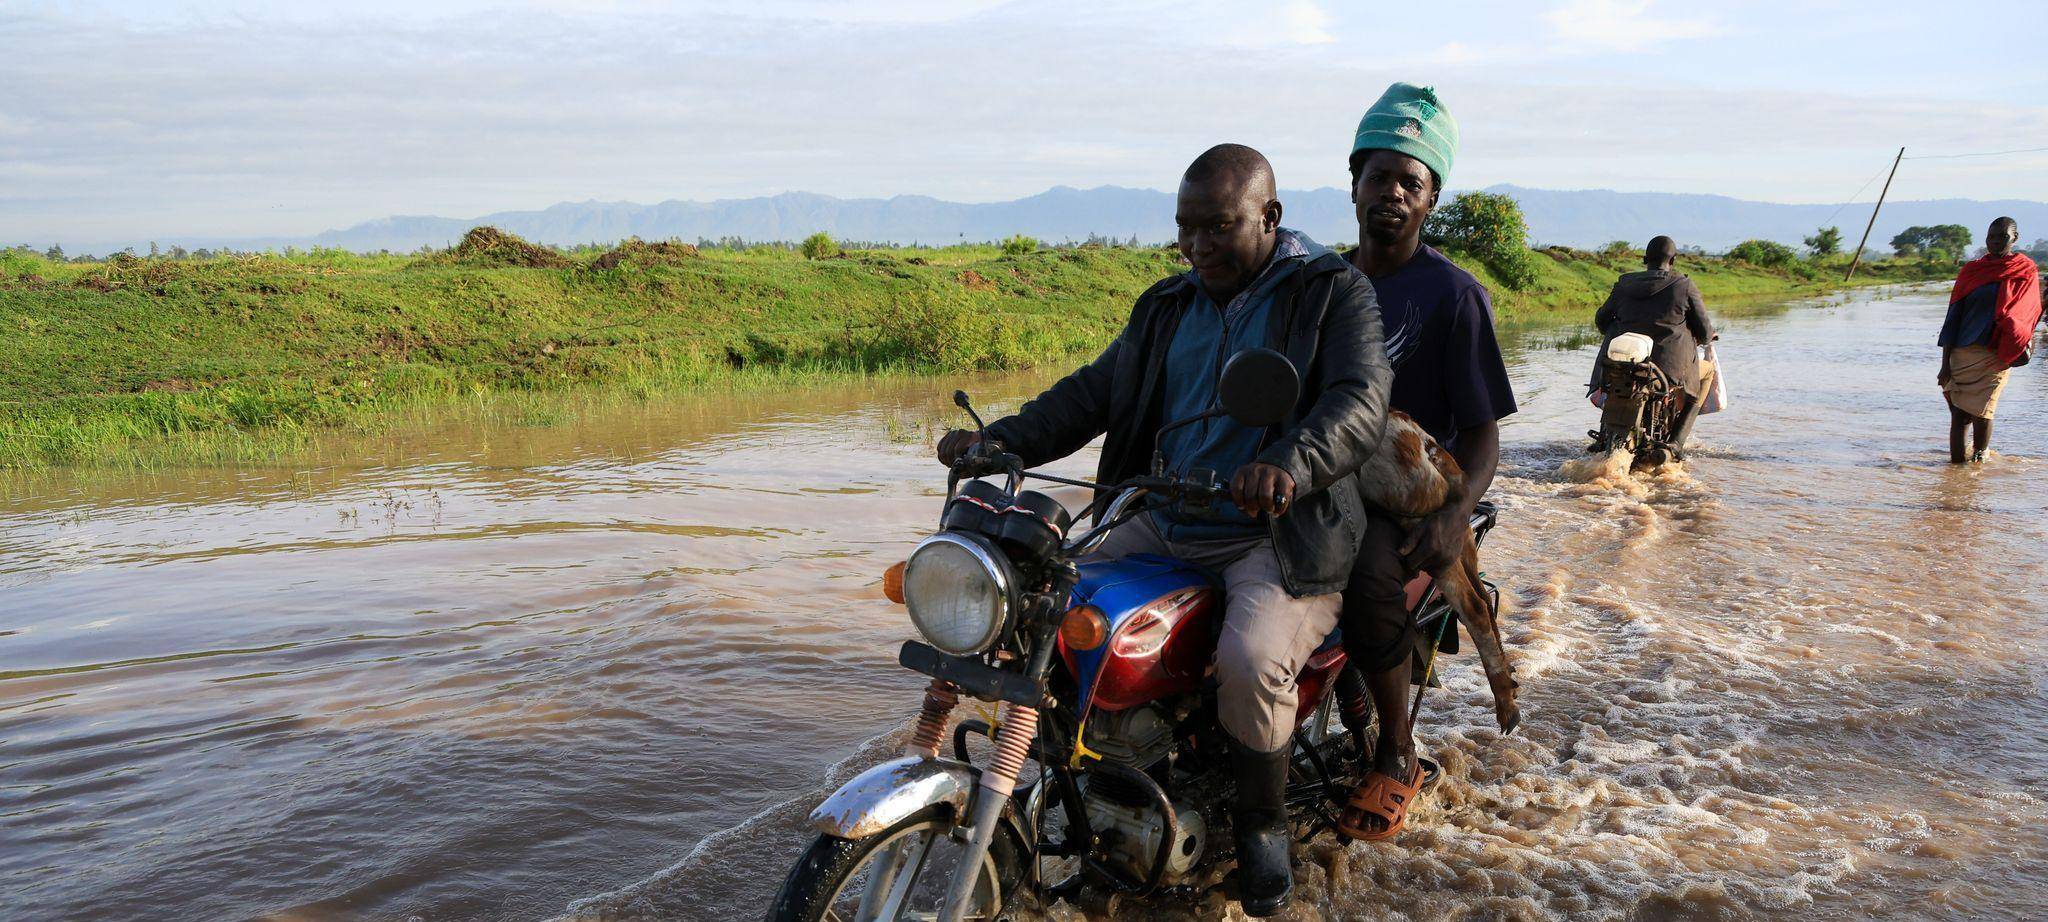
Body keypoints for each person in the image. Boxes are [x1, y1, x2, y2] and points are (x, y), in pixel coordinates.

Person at [935, 144, 1392, 916]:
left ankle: (1261, 826)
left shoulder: (1330, 292)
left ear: (1269, 217)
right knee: (1037, 611)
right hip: (1164, 516)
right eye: (1186, 228)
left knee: (1251, 662)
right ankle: (1089, 776)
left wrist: (1288, 462)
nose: (1196, 246)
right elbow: (1093, 393)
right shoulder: (1167, 305)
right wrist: (1001, 439)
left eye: (1218, 227)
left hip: (1276, 533)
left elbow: (1359, 400)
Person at [1333, 83, 1517, 843]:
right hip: (1322, 474)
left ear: (1431, 199)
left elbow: (1482, 435)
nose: (1393, 194)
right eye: (1379, 177)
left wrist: (1451, 516)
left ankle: (1397, 750)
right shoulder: (1322, 284)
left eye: (1411, 183)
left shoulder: (1454, 295)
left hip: (1403, 492)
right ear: (1354, 184)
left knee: (1369, 575)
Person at [1590, 235, 1717, 457]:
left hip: (1621, 364)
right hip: (1668, 368)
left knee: (1614, 382)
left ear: (1644, 259)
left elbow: (1602, 320)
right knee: (1707, 373)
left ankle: (1604, 435)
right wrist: (1706, 336)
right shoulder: (1684, 285)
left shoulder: (1624, 284)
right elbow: (1705, 334)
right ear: (1673, 260)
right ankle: (1676, 443)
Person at [1938, 216, 2041, 462]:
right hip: (1962, 353)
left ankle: (1978, 464)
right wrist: (1945, 365)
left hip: (1996, 355)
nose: (1995, 241)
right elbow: (1953, 317)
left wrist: (2012, 327)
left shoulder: (2025, 271)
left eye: (2002, 237)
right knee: (1959, 415)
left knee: (1983, 412)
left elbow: (2029, 313)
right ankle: (1957, 470)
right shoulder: (1972, 271)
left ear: (2015, 238)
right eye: (1991, 236)